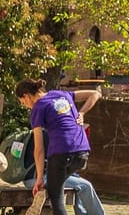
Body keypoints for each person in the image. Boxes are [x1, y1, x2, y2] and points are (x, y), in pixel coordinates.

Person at [17, 78, 99, 215]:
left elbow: (39, 149)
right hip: (82, 152)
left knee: (56, 196)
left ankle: (45, 193)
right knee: (55, 185)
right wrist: (82, 112)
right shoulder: (62, 94)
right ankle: (47, 190)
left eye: (23, 102)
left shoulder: (38, 107)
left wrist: (38, 179)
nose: (26, 106)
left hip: (61, 153)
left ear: (26, 96)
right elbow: (95, 94)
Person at [7, 127, 106, 215]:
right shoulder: (52, 137)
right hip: (40, 180)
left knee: (77, 185)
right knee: (85, 186)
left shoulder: (37, 134)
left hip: (29, 180)